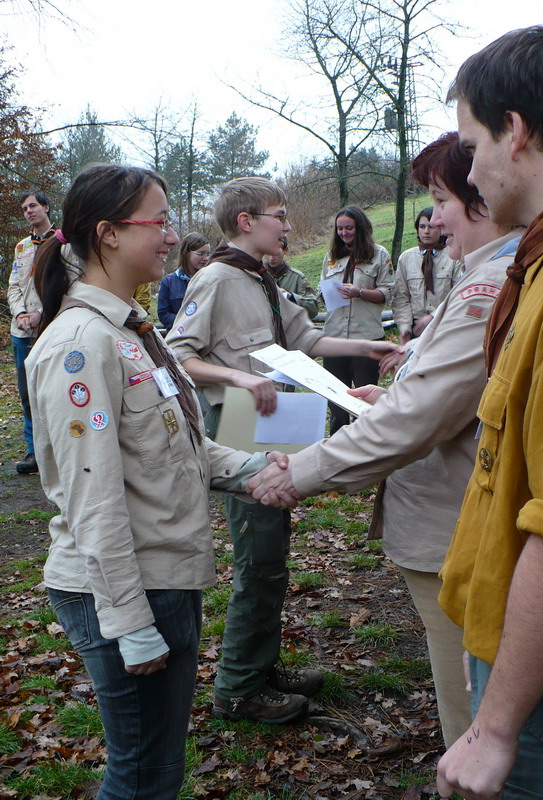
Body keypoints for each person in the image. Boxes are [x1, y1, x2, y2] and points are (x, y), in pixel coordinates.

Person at [246, 131, 520, 747]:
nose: (435, 218)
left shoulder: (487, 286)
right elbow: (439, 402)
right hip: (453, 516)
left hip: (454, 527)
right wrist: (389, 399)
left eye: (442, 199)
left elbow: (422, 419)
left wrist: (301, 472)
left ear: (485, 198)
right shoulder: (484, 276)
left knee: (472, 713)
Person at [27, 164, 289, 800]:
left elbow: (177, 449)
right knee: (144, 775)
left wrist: (265, 468)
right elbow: (91, 494)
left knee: (157, 768)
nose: (171, 237)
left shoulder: (129, 332)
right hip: (130, 586)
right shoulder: (81, 345)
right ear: (109, 233)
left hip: (164, 573)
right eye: (160, 221)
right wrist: (127, 620)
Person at [431, 27, 543, 800]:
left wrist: (495, 730)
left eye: (471, 145)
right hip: (529, 658)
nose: (469, 170)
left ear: (518, 131)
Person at [165, 177, 401, 724]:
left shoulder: (263, 280)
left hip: (270, 425)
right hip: (238, 427)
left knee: (273, 553)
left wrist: (370, 345)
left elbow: (307, 340)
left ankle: (261, 666)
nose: (288, 225)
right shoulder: (218, 278)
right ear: (247, 221)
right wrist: (239, 379)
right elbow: (179, 354)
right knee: (257, 559)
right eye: (279, 214)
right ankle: (238, 689)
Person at [320, 205, 394, 434]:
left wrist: (359, 292)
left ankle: (365, 447)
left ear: (360, 228)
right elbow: (320, 294)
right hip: (335, 340)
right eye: (340, 229)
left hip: (366, 340)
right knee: (337, 404)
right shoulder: (331, 257)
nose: (344, 233)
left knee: (364, 402)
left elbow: (387, 293)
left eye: (349, 228)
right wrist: (326, 293)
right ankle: (336, 449)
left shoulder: (379, 254)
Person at [7, 190, 55, 474]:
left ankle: (57, 450)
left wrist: (42, 313)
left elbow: (69, 284)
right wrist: (21, 314)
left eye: (33, 205)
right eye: (24, 208)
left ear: (46, 207)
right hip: (23, 331)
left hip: (51, 327)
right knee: (27, 394)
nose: (28, 211)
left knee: (51, 391)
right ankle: (33, 452)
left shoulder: (64, 242)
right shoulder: (22, 247)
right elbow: (14, 286)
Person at [392, 207, 462, 343]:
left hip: (445, 327)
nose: (426, 231)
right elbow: (401, 297)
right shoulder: (406, 258)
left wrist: (434, 317)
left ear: (441, 229)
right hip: (416, 329)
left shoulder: (453, 256)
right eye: (422, 226)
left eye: (431, 227)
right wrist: (405, 327)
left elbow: (457, 295)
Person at [157, 232, 210, 331]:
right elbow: (163, 314)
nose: (205, 258)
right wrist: (186, 322)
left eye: (207, 254)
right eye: (200, 254)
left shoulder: (210, 280)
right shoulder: (169, 282)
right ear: (186, 253)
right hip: (178, 337)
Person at [264, 236, 319, 320]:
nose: (271, 258)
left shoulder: (297, 278)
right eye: (268, 253)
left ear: (285, 250)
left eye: (276, 253)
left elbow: (313, 309)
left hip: (291, 329)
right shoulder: (258, 276)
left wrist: (291, 297)